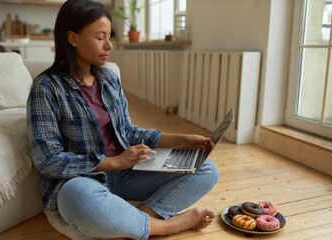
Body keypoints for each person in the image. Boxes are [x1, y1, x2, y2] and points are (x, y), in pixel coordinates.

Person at [26, 0, 219, 239]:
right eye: (100, 37)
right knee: (75, 197)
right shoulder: (46, 88)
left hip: (129, 172)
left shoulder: (108, 79)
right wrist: (113, 162)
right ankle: (168, 226)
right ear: (73, 38)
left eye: (109, 36)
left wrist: (180, 140)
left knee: (206, 167)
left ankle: (141, 217)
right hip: (84, 180)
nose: (109, 45)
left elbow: (128, 131)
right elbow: (47, 159)